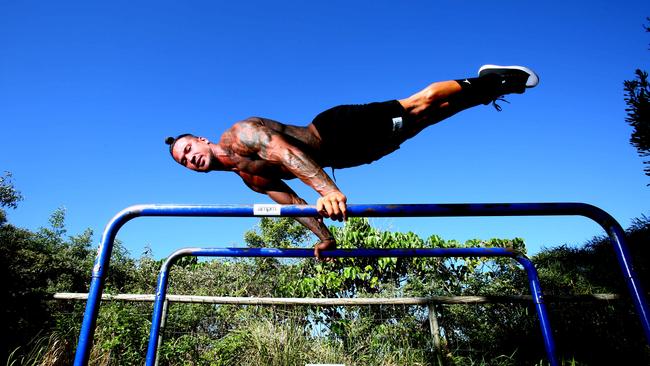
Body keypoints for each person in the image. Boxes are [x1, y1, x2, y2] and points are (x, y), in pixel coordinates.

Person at [165, 65, 539, 259]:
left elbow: (284, 152)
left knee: (417, 105)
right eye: (184, 162)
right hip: (349, 156)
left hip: (336, 130)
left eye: (188, 149)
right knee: (422, 123)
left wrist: (327, 190)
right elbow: (295, 205)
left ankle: (491, 81)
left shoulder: (239, 133)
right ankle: (490, 89)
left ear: (201, 140)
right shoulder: (248, 178)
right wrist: (325, 238)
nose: (190, 158)